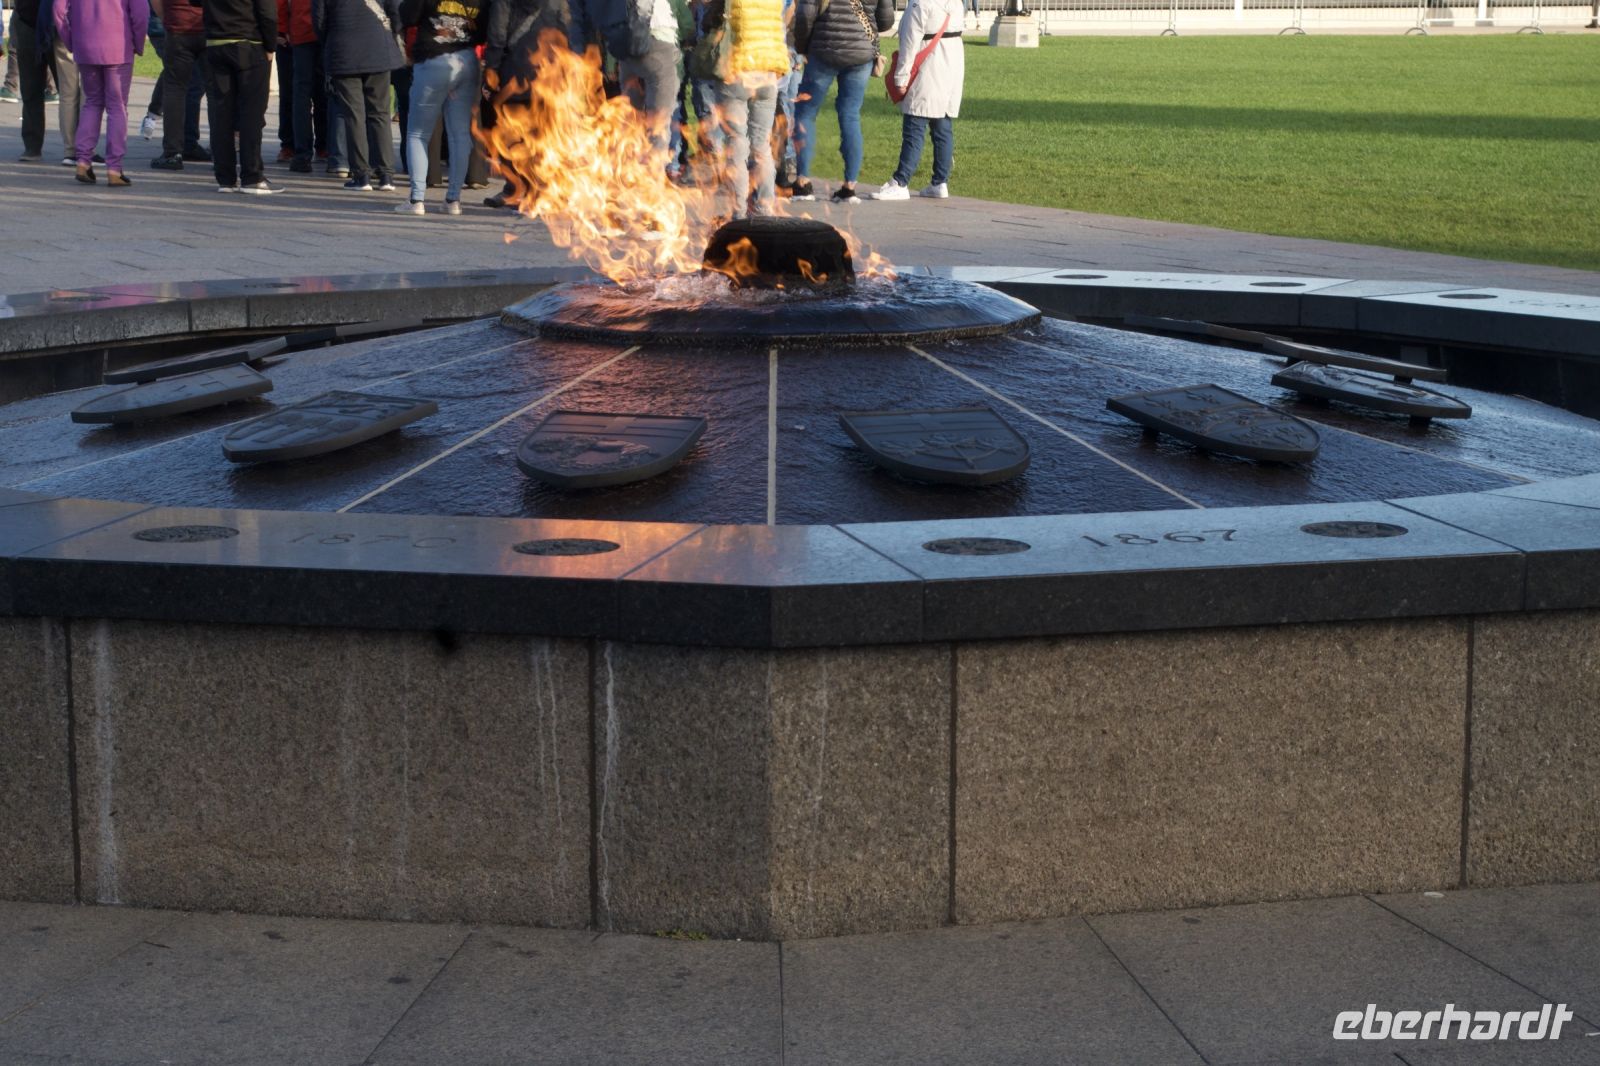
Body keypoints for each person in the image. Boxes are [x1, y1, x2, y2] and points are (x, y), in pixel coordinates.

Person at [480, 0, 585, 208]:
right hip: (554, 74)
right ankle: (546, 191)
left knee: (513, 136)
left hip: (516, 73)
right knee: (547, 135)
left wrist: (491, 68)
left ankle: (516, 190)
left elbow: (497, 33)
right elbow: (573, 29)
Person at [790, 0, 890, 204]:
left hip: (823, 49)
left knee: (805, 112)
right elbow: (885, 20)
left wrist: (802, 49)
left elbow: (805, 16)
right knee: (850, 115)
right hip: (861, 52)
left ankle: (802, 182)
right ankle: (849, 186)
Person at [698, 0, 787, 218]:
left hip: (736, 70)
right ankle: (764, 209)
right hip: (768, 71)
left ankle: (737, 211)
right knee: (761, 145)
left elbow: (709, 20)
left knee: (736, 142)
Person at [394, 0, 483, 214]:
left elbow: (407, 15)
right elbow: (485, 31)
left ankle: (416, 200)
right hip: (466, 59)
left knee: (417, 133)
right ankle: (453, 200)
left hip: (433, 58)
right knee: (460, 133)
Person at [867, 0, 960, 200]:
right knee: (942, 127)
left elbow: (909, 44)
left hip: (928, 69)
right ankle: (940, 181)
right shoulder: (956, 3)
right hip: (951, 69)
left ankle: (901, 181)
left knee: (914, 126)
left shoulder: (920, 4)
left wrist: (901, 78)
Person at [55, 0, 148, 185]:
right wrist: (137, 43)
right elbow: (141, 14)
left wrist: (71, 41)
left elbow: (58, 11)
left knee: (92, 103)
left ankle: (83, 161)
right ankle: (114, 167)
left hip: (85, 44)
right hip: (119, 46)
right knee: (117, 106)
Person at [315, 0, 403, 191]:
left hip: (344, 50)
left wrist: (332, 41)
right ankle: (386, 174)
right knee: (380, 114)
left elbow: (319, 20)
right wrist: (389, 36)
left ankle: (361, 175)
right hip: (379, 48)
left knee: (353, 115)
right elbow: (396, 12)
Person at [594, 0, 691, 158]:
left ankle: (628, 168)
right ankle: (655, 173)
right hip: (660, 48)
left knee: (631, 118)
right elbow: (688, 26)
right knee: (658, 121)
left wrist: (612, 64)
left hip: (628, 54)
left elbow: (613, 30)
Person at [202, 0, 280, 192]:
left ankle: (225, 179)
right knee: (251, 113)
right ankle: (252, 176)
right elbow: (267, 12)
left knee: (220, 113)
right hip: (249, 43)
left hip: (215, 42)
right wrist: (271, 46)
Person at [148, 0, 210, 168]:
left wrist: (168, 18)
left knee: (175, 90)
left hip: (178, 26)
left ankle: (172, 152)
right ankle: (220, 152)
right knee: (214, 91)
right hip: (208, 28)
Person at [276, 0, 326, 171]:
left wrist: (281, 28)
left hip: (299, 30)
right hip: (323, 31)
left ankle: (298, 149)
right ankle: (323, 146)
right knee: (322, 92)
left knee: (297, 94)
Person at [8, 0, 51, 160]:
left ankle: (76, 148)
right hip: (26, 19)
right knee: (30, 88)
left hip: (55, 22)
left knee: (69, 91)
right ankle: (32, 146)